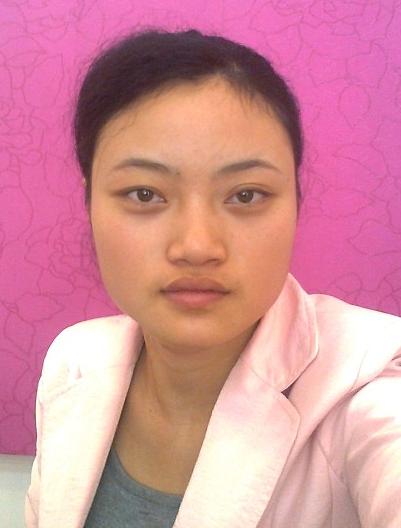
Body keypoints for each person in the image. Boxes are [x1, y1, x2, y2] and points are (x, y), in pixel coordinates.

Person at [25, 28, 401, 528]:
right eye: (144, 194)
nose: (197, 246)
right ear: (88, 202)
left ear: (296, 202)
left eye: (246, 195)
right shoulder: (73, 360)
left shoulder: (368, 388)